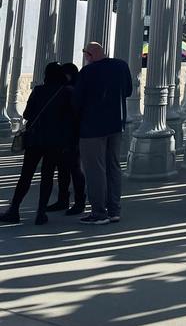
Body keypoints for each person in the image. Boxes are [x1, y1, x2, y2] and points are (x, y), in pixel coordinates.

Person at [0, 62, 77, 225]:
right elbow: (70, 118)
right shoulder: (66, 92)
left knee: (26, 175)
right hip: (55, 141)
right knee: (47, 176)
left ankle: (14, 209)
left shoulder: (39, 90)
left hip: (35, 139)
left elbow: (27, 114)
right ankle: (41, 213)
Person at [74, 42, 132, 226]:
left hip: (92, 128)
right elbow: (128, 91)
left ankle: (99, 212)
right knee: (113, 166)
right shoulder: (121, 66)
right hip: (116, 124)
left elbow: (77, 101)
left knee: (95, 170)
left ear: (88, 55)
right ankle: (114, 210)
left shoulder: (87, 72)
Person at [46, 62, 87, 216]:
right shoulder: (73, 89)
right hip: (69, 135)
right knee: (65, 169)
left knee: (73, 169)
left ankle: (76, 201)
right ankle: (66, 200)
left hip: (70, 135)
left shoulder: (70, 91)